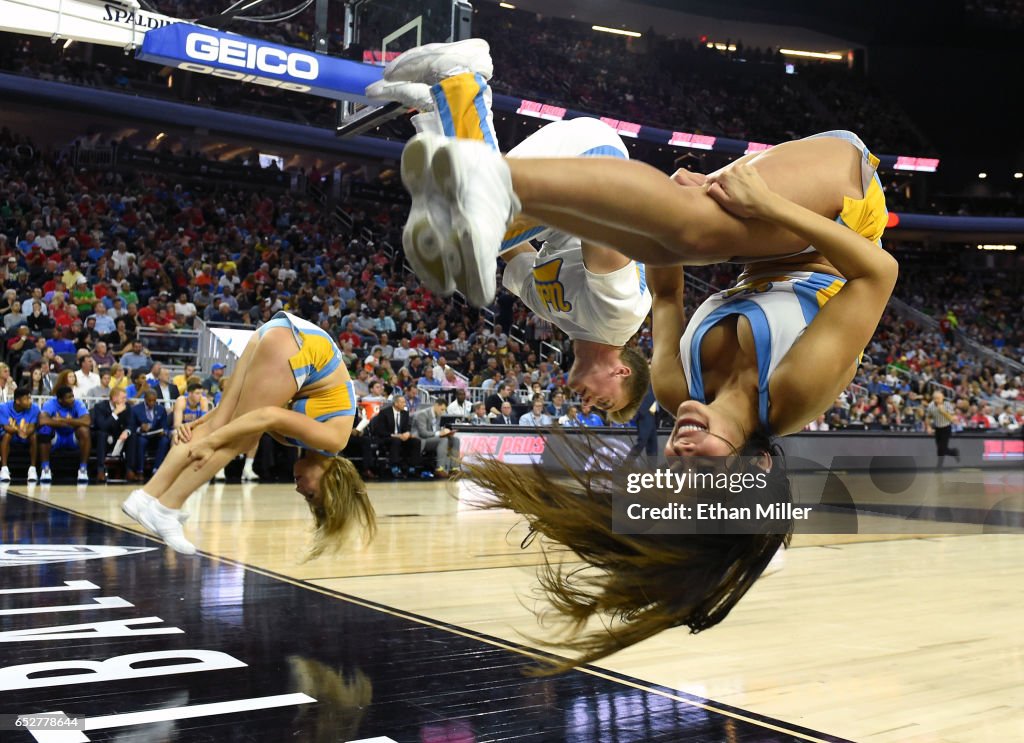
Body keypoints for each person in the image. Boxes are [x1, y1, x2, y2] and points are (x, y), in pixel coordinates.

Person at [372, 43, 650, 421]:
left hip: (569, 190)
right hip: (595, 166)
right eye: (603, 402)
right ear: (622, 370)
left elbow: (511, 252)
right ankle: (464, 77)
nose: (586, 405)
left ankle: (434, 110)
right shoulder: (620, 318)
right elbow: (606, 216)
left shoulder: (554, 313)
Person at [121, 311, 373, 557]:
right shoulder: (333, 439)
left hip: (277, 334)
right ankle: (167, 509)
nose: (300, 490)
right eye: (310, 494)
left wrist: (203, 424)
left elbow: (240, 413)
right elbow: (265, 416)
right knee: (241, 438)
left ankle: (144, 497)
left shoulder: (298, 439)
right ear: (332, 482)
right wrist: (210, 441)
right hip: (299, 346)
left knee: (224, 425)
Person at [38, 385, 92, 483]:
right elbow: (42, 420)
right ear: (60, 400)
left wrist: (63, 420)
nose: (72, 399)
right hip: (56, 437)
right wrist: (70, 423)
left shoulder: (78, 403)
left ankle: (83, 469)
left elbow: (87, 421)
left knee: (85, 430)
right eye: (68, 397)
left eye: (72, 396)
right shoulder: (50, 403)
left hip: (72, 437)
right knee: (44, 430)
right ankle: (45, 468)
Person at [365, 395, 419, 479]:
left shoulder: (405, 413)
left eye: (405, 402)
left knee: (416, 441)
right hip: (386, 437)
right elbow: (380, 431)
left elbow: (407, 427)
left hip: (401, 437)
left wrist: (407, 433)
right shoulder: (384, 412)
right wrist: (396, 435)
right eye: (402, 402)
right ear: (396, 403)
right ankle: (394, 467)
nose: (405, 404)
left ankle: (412, 467)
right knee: (396, 440)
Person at [0, 386, 40, 482]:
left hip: (26, 435)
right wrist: (19, 431)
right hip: (12, 435)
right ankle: (4, 469)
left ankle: (32, 469)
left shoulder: (34, 408)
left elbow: (32, 426)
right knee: (7, 435)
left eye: (30, 398)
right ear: (18, 401)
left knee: (34, 436)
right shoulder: (4, 408)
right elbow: (6, 427)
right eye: (26, 399)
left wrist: (25, 433)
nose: (30, 401)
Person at [411, 397, 459, 477]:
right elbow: (423, 433)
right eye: (442, 409)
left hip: (433, 439)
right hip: (421, 440)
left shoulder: (438, 415)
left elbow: (436, 431)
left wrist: (447, 433)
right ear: (436, 405)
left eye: (444, 410)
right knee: (443, 440)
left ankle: (454, 468)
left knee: (455, 440)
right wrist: (440, 433)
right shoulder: (422, 414)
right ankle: (439, 468)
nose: (443, 412)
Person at [91, 387, 131, 483]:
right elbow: (102, 426)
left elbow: (130, 424)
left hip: (119, 437)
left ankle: (130, 470)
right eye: (123, 398)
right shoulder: (99, 407)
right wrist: (116, 413)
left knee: (132, 436)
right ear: (114, 398)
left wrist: (127, 431)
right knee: (102, 434)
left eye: (125, 398)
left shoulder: (127, 407)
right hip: (103, 437)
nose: (125, 400)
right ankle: (100, 470)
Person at [925, 390, 960, 467]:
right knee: (939, 449)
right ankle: (954, 452)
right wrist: (928, 427)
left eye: (938, 398)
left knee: (942, 448)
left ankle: (939, 466)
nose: (937, 400)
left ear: (943, 398)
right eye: (935, 398)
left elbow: (952, 419)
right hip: (937, 428)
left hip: (946, 428)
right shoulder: (930, 406)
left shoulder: (947, 405)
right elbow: (928, 417)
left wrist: (943, 412)